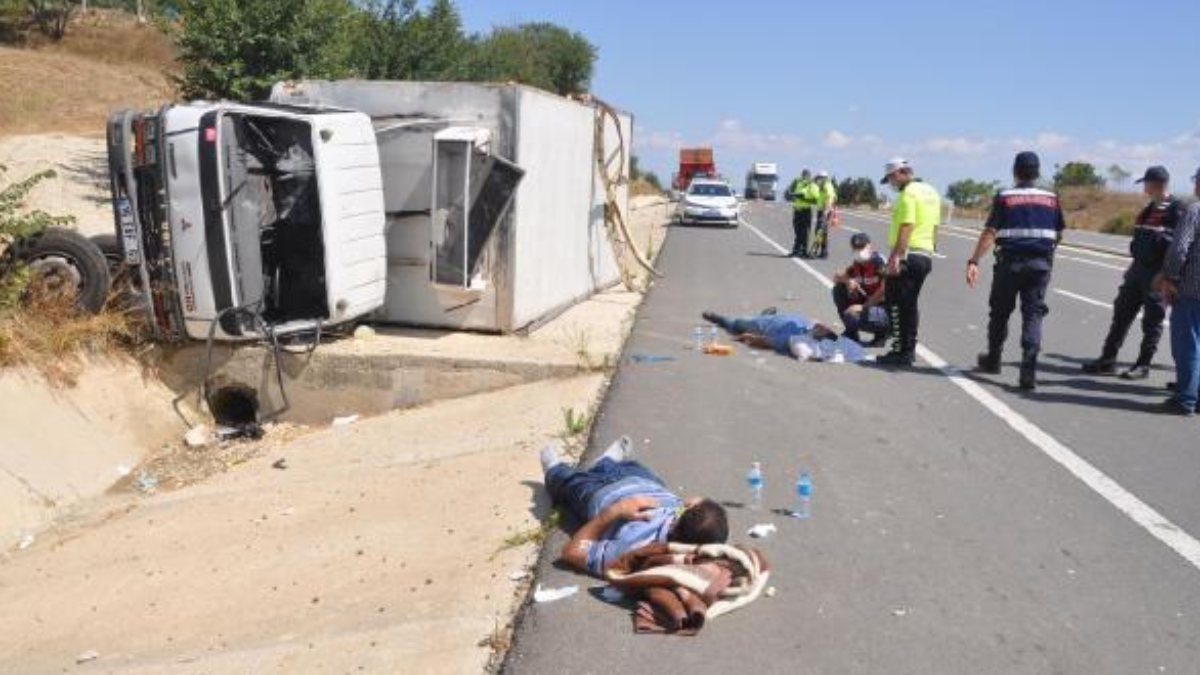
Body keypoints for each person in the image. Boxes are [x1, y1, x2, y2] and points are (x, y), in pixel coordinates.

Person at [541, 438, 729, 577]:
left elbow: (571, 553)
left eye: (692, 504)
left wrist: (615, 511)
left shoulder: (634, 548)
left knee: (568, 482)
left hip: (598, 494)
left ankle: (554, 470)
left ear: (680, 516)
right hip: (642, 481)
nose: (691, 500)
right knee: (630, 466)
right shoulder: (689, 526)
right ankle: (604, 462)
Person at [966, 151, 1066, 390]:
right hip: (1040, 265)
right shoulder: (1051, 198)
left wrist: (974, 261)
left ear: (1015, 171)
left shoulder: (1005, 197)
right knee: (1033, 316)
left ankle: (993, 359)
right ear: (1038, 172)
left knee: (999, 313)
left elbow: (990, 232)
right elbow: (1059, 233)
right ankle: (1028, 371)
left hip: (1009, 265)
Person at [1082, 166, 1186, 380]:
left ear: (1156, 184)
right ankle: (1107, 360)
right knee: (1121, 314)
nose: (1144, 188)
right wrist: (1133, 266)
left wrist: (1168, 275)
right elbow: (1139, 241)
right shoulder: (1148, 209)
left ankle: (1143, 365)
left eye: (1146, 184)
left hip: (1157, 274)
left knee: (1152, 321)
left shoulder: (1176, 209)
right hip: (1137, 270)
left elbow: (1178, 246)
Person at [878, 157, 941, 366]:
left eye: (890, 180)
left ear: (898, 174)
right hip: (924, 255)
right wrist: (932, 249)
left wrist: (895, 257)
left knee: (897, 304)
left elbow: (907, 226)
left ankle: (901, 351)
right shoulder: (931, 192)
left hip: (908, 255)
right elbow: (934, 227)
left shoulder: (908, 194)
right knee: (910, 305)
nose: (891, 185)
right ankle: (908, 349)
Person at [1155, 167, 1200, 416]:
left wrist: (1169, 278)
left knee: (1188, 345)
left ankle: (1185, 399)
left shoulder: (1195, 210)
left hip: (1192, 289)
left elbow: (1179, 248)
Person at [832, 232, 889, 346]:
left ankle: (882, 334)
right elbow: (837, 277)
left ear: (869, 246)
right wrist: (849, 282)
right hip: (870, 303)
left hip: (886, 308)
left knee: (853, 314)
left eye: (862, 247)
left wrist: (863, 307)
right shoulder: (857, 264)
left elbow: (885, 290)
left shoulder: (879, 262)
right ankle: (851, 332)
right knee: (839, 289)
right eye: (856, 248)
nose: (859, 251)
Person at [787, 169, 821, 257]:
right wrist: (792, 196)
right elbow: (797, 196)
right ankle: (796, 250)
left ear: (809, 176)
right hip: (797, 211)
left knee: (805, 232)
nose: (804, 176)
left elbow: (816, 199)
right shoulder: (800, 184)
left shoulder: (812, 185)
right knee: (797, 231)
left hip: (805, 211)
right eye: (803, 175)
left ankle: (804, 251)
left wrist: (803, 198)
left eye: (805, 175)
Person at [812, 170, 838, 259]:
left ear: (824, 178)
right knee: (823, 232)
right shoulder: (827, 185)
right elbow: (835, 198)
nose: (818, 180)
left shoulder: (826, 186)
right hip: (825, 210)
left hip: (824, 211)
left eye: (819, 178)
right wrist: (834, 213)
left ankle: (816, 251)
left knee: (819, 231)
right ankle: (823, 252)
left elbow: (828, 198)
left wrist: (826, 210)